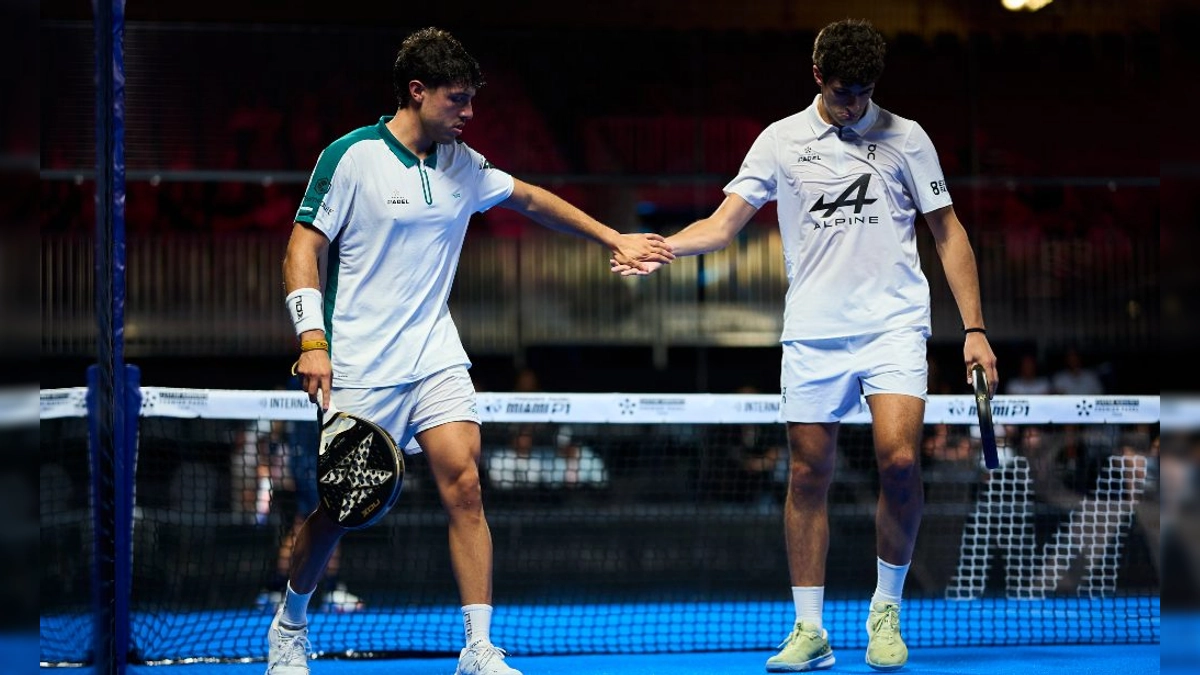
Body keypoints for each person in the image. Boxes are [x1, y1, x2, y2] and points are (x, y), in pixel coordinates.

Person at [273, 27, 673, 675]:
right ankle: (290, 623)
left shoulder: (463, 163)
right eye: (457, 100)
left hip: (435, 352)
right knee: (340, 513)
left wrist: (610, 236)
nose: (469, 112)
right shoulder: (350, 158)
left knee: (465, 484)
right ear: (417, 92)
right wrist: (311, 339)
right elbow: (301, 248)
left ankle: (478, 648)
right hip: (361, 362)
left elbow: (531, 198)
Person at [612, 19, 997, 672]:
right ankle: (811, 628)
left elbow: (948, 231)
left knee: (900, 462)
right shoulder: (780, 141)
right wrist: (664, 247)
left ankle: (886, 608)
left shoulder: (907, 138)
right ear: (817, 77)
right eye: (846, 91)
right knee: (808, 474)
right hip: (814, 336)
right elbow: (725, 223)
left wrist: (976, 329)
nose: (856, 105)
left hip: (893, 327)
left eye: (867, 91)